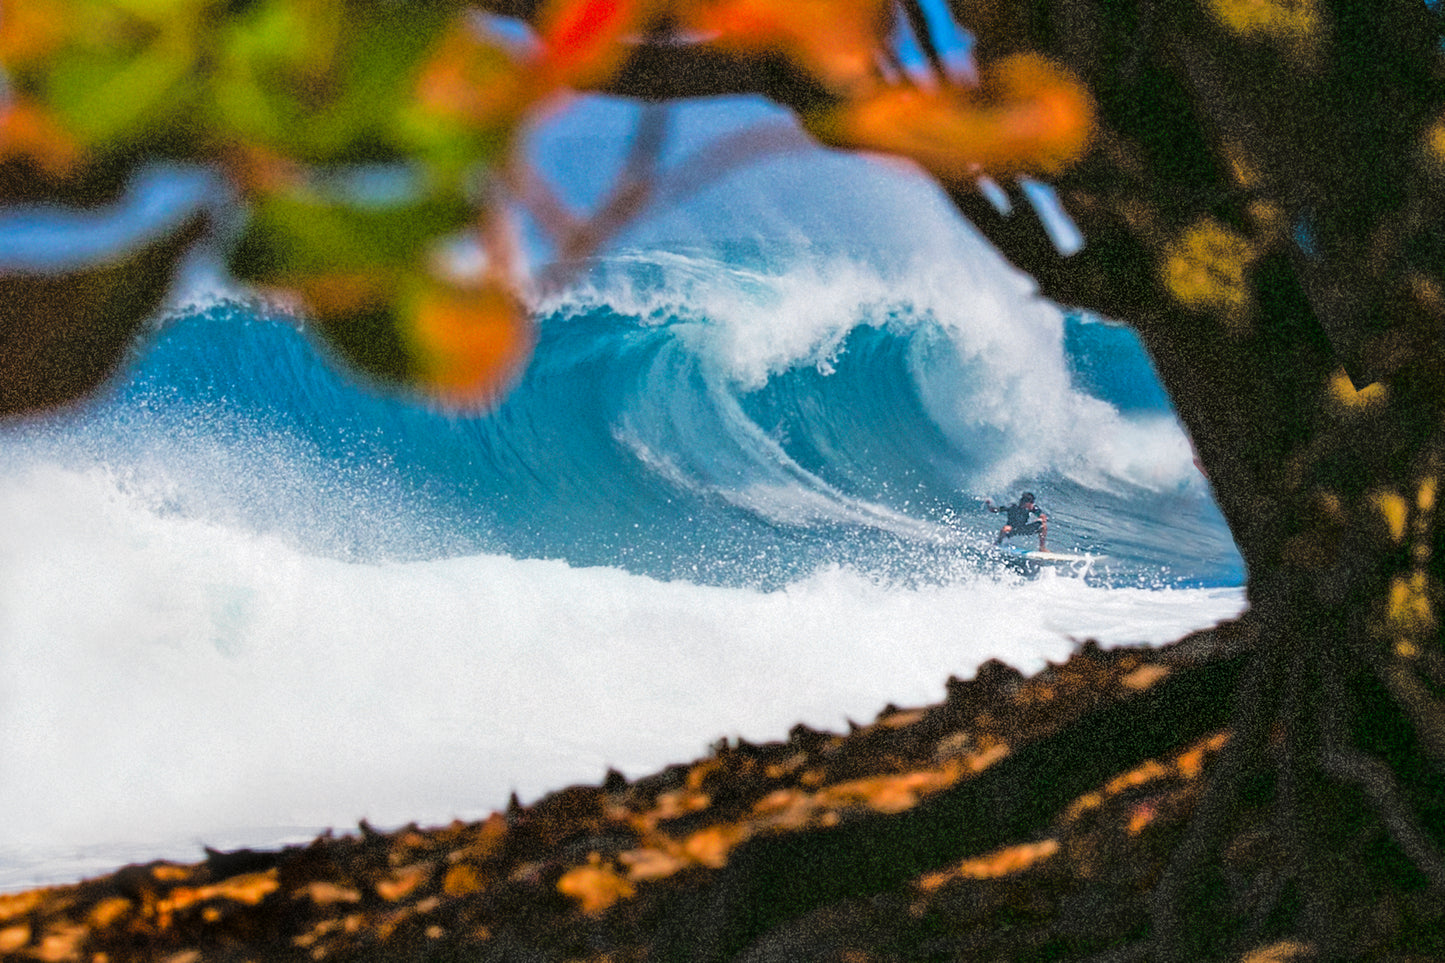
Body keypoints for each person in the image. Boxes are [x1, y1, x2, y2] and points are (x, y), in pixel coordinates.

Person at [984, 492, 1048, 551]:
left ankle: (1042, 547)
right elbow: (995, 510)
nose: (1033, 504)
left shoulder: (1033, 508)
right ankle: (998, 543)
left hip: (1023, 528)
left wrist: (1040, 518)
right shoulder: (1012, 506)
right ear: (1026, 502)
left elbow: (1043, 516)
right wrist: (988, 504)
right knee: (1005, 528)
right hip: (1012, 529)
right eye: (1032, 502)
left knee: (1043, 526)